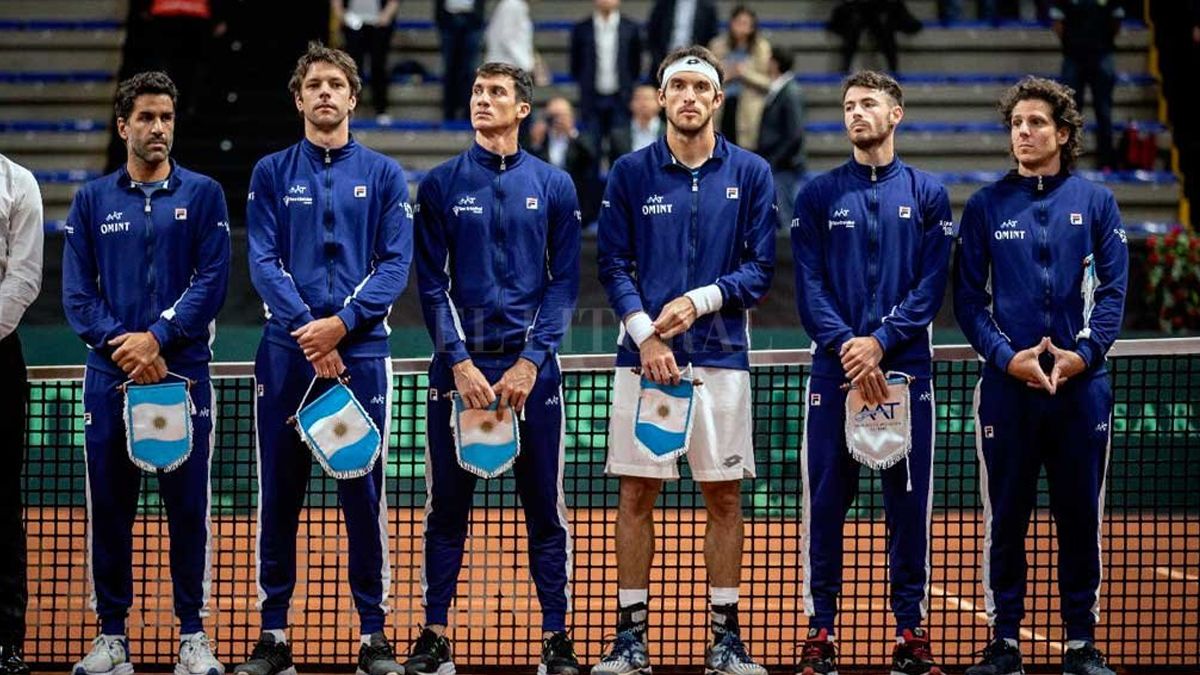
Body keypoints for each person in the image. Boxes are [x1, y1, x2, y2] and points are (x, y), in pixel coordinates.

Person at [594, 45, 775, 675]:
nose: (691, 97)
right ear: (663, 98)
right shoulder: (629, 172)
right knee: (637, 493)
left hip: (723, 358)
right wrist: (646, 336)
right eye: (680, 87)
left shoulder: (751, 172)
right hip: (644, 362)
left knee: (724, 499)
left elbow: (760, 270)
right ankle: (629, 640)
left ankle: (725, 639)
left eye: (702, 86)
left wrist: (699, 301)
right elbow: (612, 264)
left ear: (719, 99)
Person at [236, 43, 412, 675]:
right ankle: (274, 636)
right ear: (298, 97)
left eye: (336, 83)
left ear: (353, 97)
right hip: (286, 357)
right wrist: (310, 332)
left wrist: (339, 327)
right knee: (279, 497)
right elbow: (262, 261)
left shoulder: (387, 175)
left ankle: (373, 636)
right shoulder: (270, 173)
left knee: (363, 497)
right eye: (314, 84)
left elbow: (394, 265)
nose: (325, 93)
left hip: (361, 356)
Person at [406, 61, 582, 675]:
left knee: (544, 510)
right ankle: (433, 634)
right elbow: (430, 286)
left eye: (497, 92)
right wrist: (457, 363)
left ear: (522, 108)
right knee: (446, 510)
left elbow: (563, 287)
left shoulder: (556, 185)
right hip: (459, 377)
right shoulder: (439, 184)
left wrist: (532, 363)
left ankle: (556, 637)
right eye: (477, 90)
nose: (483, 99)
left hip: (532, 378)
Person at [955, 76, 1128, 675]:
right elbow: (970, 304)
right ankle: (1004, 642)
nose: (1023, 133)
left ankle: (1081, 643)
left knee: (1080, 519)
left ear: (1062, 133)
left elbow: (1112, 292)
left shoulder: (1097, 202)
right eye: (1015, 124)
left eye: (1035, 123)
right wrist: (1009, 359)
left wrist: (1084, 354)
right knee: (1006, 519)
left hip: (1083, 392)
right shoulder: (983, 206)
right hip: (1008, 393)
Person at [61, 71, 229, 675]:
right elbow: (78, 296)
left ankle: (192, 636)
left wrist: (157, 337)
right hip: (111, 380)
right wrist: (124, 345)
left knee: (187, 512)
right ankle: (111, 637)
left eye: (167, 118)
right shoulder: (91, 200)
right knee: (109, 509)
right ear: (123, 125)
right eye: (147, 118)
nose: (158, 128)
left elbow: (211, 283)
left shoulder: (205, 194)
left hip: (181, 378)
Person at [790, 69, 952, 675]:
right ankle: (820, 632)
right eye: (849, 105)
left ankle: (911, 633)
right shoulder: (816, 195)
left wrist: (880, 342)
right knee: (826, 507)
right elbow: (809, 289)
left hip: (905, 374)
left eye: (868, 104)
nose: (856, 114)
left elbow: (931, 286)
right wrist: (849, 348)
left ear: (896, 114)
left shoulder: (929, 193)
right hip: (835, 376)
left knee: (908, 511)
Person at [0, 154, 43, 675]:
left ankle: (5, 640)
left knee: (2, 506)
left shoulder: (18, 183)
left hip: (1, 351)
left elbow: (25, 276)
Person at [1051, 0, 1124, 170]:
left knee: (1104, 111)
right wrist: (1071, 44)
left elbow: (1117, 19)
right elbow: (1057, 22)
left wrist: (1104, 43)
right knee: (1070, 112)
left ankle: (1106, 160)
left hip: (1102, 55)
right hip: (1074, 57)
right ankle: (1068, 160)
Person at [569, 0, 643, 164]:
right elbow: (575, 66)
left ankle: (619, 189)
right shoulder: (582, 29)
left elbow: (635, 66)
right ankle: (592, 190)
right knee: (590, 151)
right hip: (591, 98)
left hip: (620, 98)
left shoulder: (630, 28)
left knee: (621, 150)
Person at [529, 96, 601, 225]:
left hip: (574, 197)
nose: (558, 120)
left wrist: (571, 133)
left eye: (562, 116)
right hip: (543, 199)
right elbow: (529, 167)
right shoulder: (540, 138)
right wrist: (536, 143)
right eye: (553, 116)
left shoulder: (581, 138)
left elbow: (592, 159)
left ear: (572, 117)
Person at [707, 5, 771, 148]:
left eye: (745, 24)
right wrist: (726, 75)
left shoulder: (761, 48)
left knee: (743, 152)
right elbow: (706, 79)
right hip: (722, 105)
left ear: (752, 27)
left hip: (748, 107)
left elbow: (768, 82)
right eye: (738, 23)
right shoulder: (717, 45)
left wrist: (744, 73)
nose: (741, 28)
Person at [756, 47, 805, 228]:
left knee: (786, 219)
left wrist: (774, 160)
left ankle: (792, 256)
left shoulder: (790, 92)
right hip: (778, 165)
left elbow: (795, 133)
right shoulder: (780, 89)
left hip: (784, 167)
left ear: (775, 63)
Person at [332, 0, 401, 123]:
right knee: (352, 68)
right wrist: (341, 14)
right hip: (353, 23)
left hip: (378, 23)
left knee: (378, 66)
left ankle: (381, 109)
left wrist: (387, 14)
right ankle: (351, 108)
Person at [436, 0, 486, 121]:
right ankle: (449, 112)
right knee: (449, 68)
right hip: (448, 18)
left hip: (472, 19)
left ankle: (468, 111)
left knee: (469, 70)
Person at [645, 0, 720, 78]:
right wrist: (661, 62)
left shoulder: (708, 6)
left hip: (697, 62)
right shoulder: (663, 3)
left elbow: (712, 38)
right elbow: (652, 34)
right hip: (662, 61)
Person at [610, 83, 665, 159]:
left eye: (648, 98)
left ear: (659, 103)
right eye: (638, 98)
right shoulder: (618, 136)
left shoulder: (671, 134)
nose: (643, 103)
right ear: (630, 104)